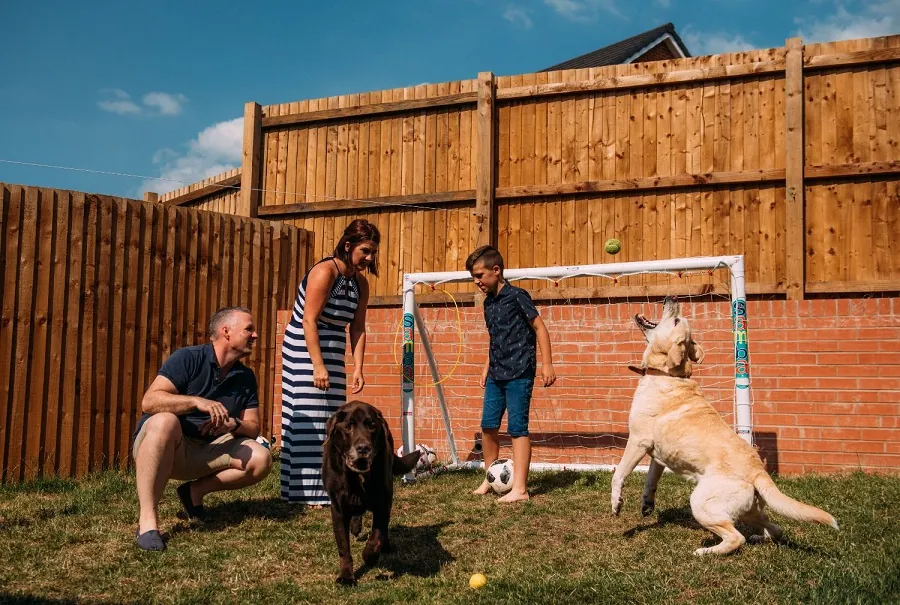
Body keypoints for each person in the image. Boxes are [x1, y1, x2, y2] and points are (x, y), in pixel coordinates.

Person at [132, 306, 272, 551]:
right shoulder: (188, 358)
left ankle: (194, 492)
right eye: (249, 329)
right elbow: (149, 401)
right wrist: (196, 401)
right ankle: (147, 522)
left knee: (261, 458)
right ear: (226, 332)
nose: (255, 335)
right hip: (166, 447)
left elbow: (253, 427)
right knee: (165, 420)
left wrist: (234, 424)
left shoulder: (246, 377)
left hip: (208, 450)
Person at [280, 219, 378, 505]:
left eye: (373, 252)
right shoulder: (325, 272)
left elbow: (357, 327)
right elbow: (308, 320)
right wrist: (317, 364)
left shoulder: (361, 283)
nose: (369, 258)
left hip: (334, 350)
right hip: (305, 347)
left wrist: (358, 367)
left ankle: (329, 489)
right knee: (308, 416)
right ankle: (300, 493)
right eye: (365, 251)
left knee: (335, 421)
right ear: (348, 246)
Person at [466, 245, 556, 503]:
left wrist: (547, 364)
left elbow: (539, 327)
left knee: (517, 428)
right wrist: (486, 366)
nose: (477, 281)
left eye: (480, 275)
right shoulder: (488, 303)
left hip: (519, 372)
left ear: (496, 270)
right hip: (496, 374)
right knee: (488, 425)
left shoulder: (518, 296)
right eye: (474, 277)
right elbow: (495, 338)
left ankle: (520, 489)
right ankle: (490, 476)